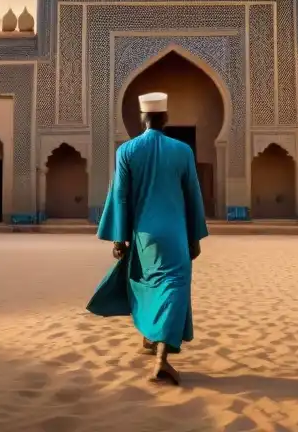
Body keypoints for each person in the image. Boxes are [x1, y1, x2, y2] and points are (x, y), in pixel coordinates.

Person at [86, 91, 209, 385]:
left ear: (142, 119)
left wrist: (118, 237)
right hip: (176, 234)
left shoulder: (126, 151)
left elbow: (120, 196)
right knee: (173, 289)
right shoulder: (182, 151)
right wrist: (195, 236)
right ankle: (162, 360)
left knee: (146, 284)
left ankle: (148, 339)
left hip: (144, 236)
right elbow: (193, 194)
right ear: (165, 119)